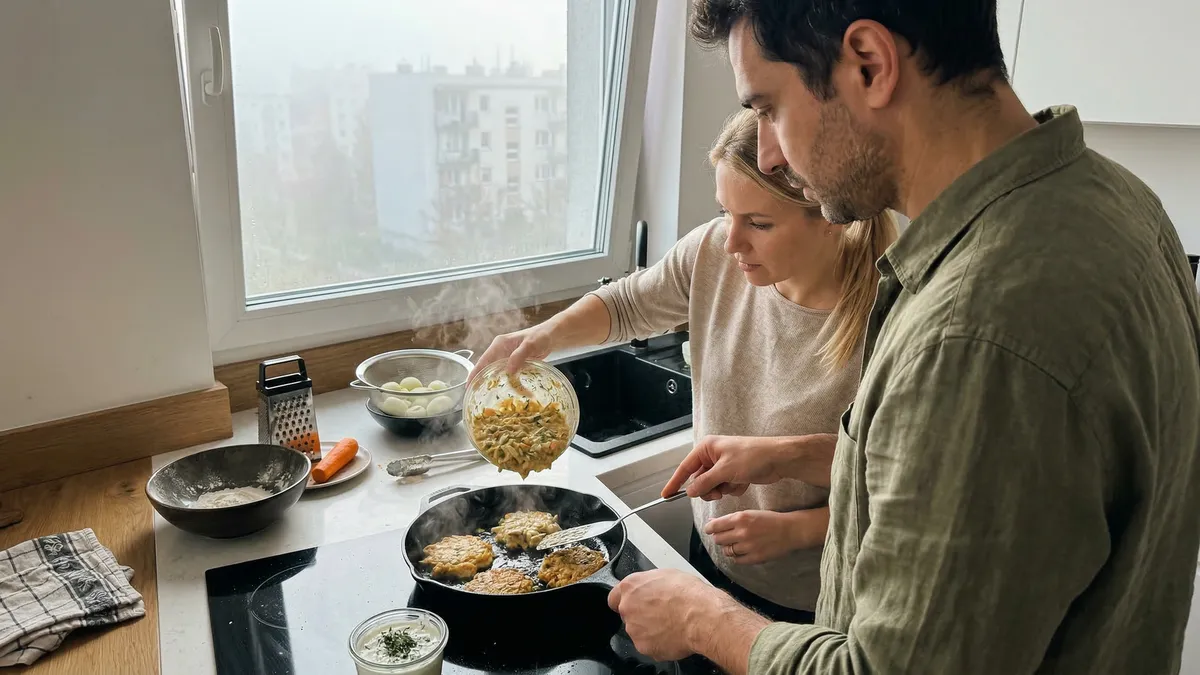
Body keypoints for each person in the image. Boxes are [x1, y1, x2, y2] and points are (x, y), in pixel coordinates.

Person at [606, 1, 1200, 674]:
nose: (768, 152)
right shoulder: (1119, 202)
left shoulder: (977, 336)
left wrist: (701, 615)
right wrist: (787, 456)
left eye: (769, 108)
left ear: (870, 64)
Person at [472, 109, 897, 621]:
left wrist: (800, 530)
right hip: (711, 563)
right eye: (726, 213)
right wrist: (541, 337)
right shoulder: (717, 251)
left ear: (832, 217)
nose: (732, 241)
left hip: (809, 604)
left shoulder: (890, 321)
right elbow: (629, 305)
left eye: (759, 223)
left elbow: (900, 487)